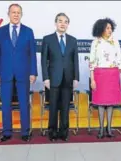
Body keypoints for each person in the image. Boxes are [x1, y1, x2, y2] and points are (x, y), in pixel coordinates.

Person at [0, 4, 37, 142]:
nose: (16, 15)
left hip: (23, 73)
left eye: (18, 12)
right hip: (5, 73)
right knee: (6, 104)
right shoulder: (1, 31)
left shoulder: (28, 31)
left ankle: (25, 132)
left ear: (21, 14)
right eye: (13, 12)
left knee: (24, 104)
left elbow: (32, 54)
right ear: (9, 14)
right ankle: (6, 132)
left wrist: (33, 72)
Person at [41, 13, 79, 142]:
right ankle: (52, 132)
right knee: (53, 108)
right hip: (52, 79)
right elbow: (43, 60)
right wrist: (45, 78)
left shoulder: (73, 40)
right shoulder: (47, 39)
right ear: (56, 23)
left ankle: (64, 132)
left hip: (68, 79)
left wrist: (76, 78)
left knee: (65, 107)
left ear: (68, 24)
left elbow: (75, 61)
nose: (63, 24)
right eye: (60, 21)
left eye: (66, 22)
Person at [89, 18, 121, 139]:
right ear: (101, 29)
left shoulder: (115, 42)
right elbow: (92, 62)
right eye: (107, 28)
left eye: (111, 28)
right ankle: (100, 129)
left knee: (110, 103)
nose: (110, 30)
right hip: (99, 75)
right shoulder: (95, 43)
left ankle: (109, 128)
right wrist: (92, 79)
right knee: (100, 103)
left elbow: (119, 60)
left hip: (113, 74)